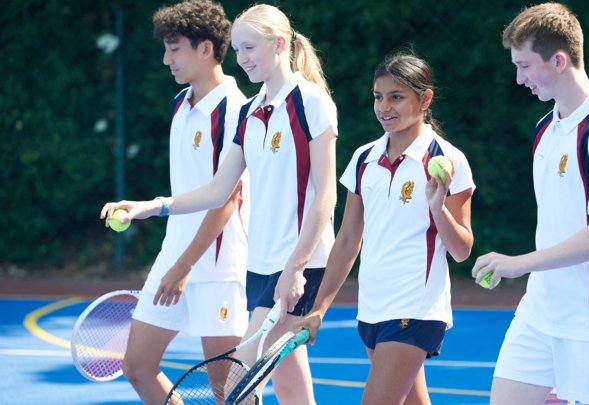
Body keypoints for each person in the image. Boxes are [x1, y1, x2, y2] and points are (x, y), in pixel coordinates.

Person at [102, 4, 337, 404]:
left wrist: (296, 268)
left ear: (280, 44)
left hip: (298, 266)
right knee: (289, 386)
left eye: (250, 48)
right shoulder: (251, 110)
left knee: (235, 389)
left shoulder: (310, 102)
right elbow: (216, 189)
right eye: (240, 49)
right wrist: (151, 206)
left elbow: (326, 196)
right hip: (259, 265)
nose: (242, 58)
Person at [471, 3, 589, 405]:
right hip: (540, 311)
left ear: (559, 60)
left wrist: (519, 263)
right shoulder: (545, 129)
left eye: (525, 65)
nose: (518, 78)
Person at [296, 51, 475, 405]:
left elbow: (461, 249)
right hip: (372, 307)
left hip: (415, 308)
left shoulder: (448, 160)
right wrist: (318, 308)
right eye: (379, 97)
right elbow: (347, 240)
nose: (384, 107)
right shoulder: (364, 159)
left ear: (425, 99)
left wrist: (437, 207)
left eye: (397, 97)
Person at [115, 1, 250, 404]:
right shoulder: (180, 104)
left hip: (219, 265)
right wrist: (174, 257)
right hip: (174, 256)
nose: (165, 59)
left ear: (205, 49)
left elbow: (227, 200)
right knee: (137, 367)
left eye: (174, 48)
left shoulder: (236, 111)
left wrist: (185, 266)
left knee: (229, 392)